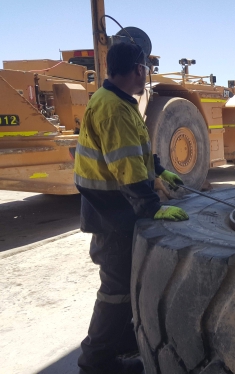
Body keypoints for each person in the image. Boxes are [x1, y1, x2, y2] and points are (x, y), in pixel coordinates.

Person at [74, 42, 189, 374]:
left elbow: (134, 148)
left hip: (110, 208)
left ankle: (122, 345)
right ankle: (95, 363)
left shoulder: (115, 101)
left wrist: (158, 168)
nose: (146, 75)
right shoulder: (114, 108)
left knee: (125, 283)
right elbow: (125, 166)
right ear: (138, 69)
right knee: (115, 290)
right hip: (110, 211)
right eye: (146, 69)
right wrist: (153, 208)